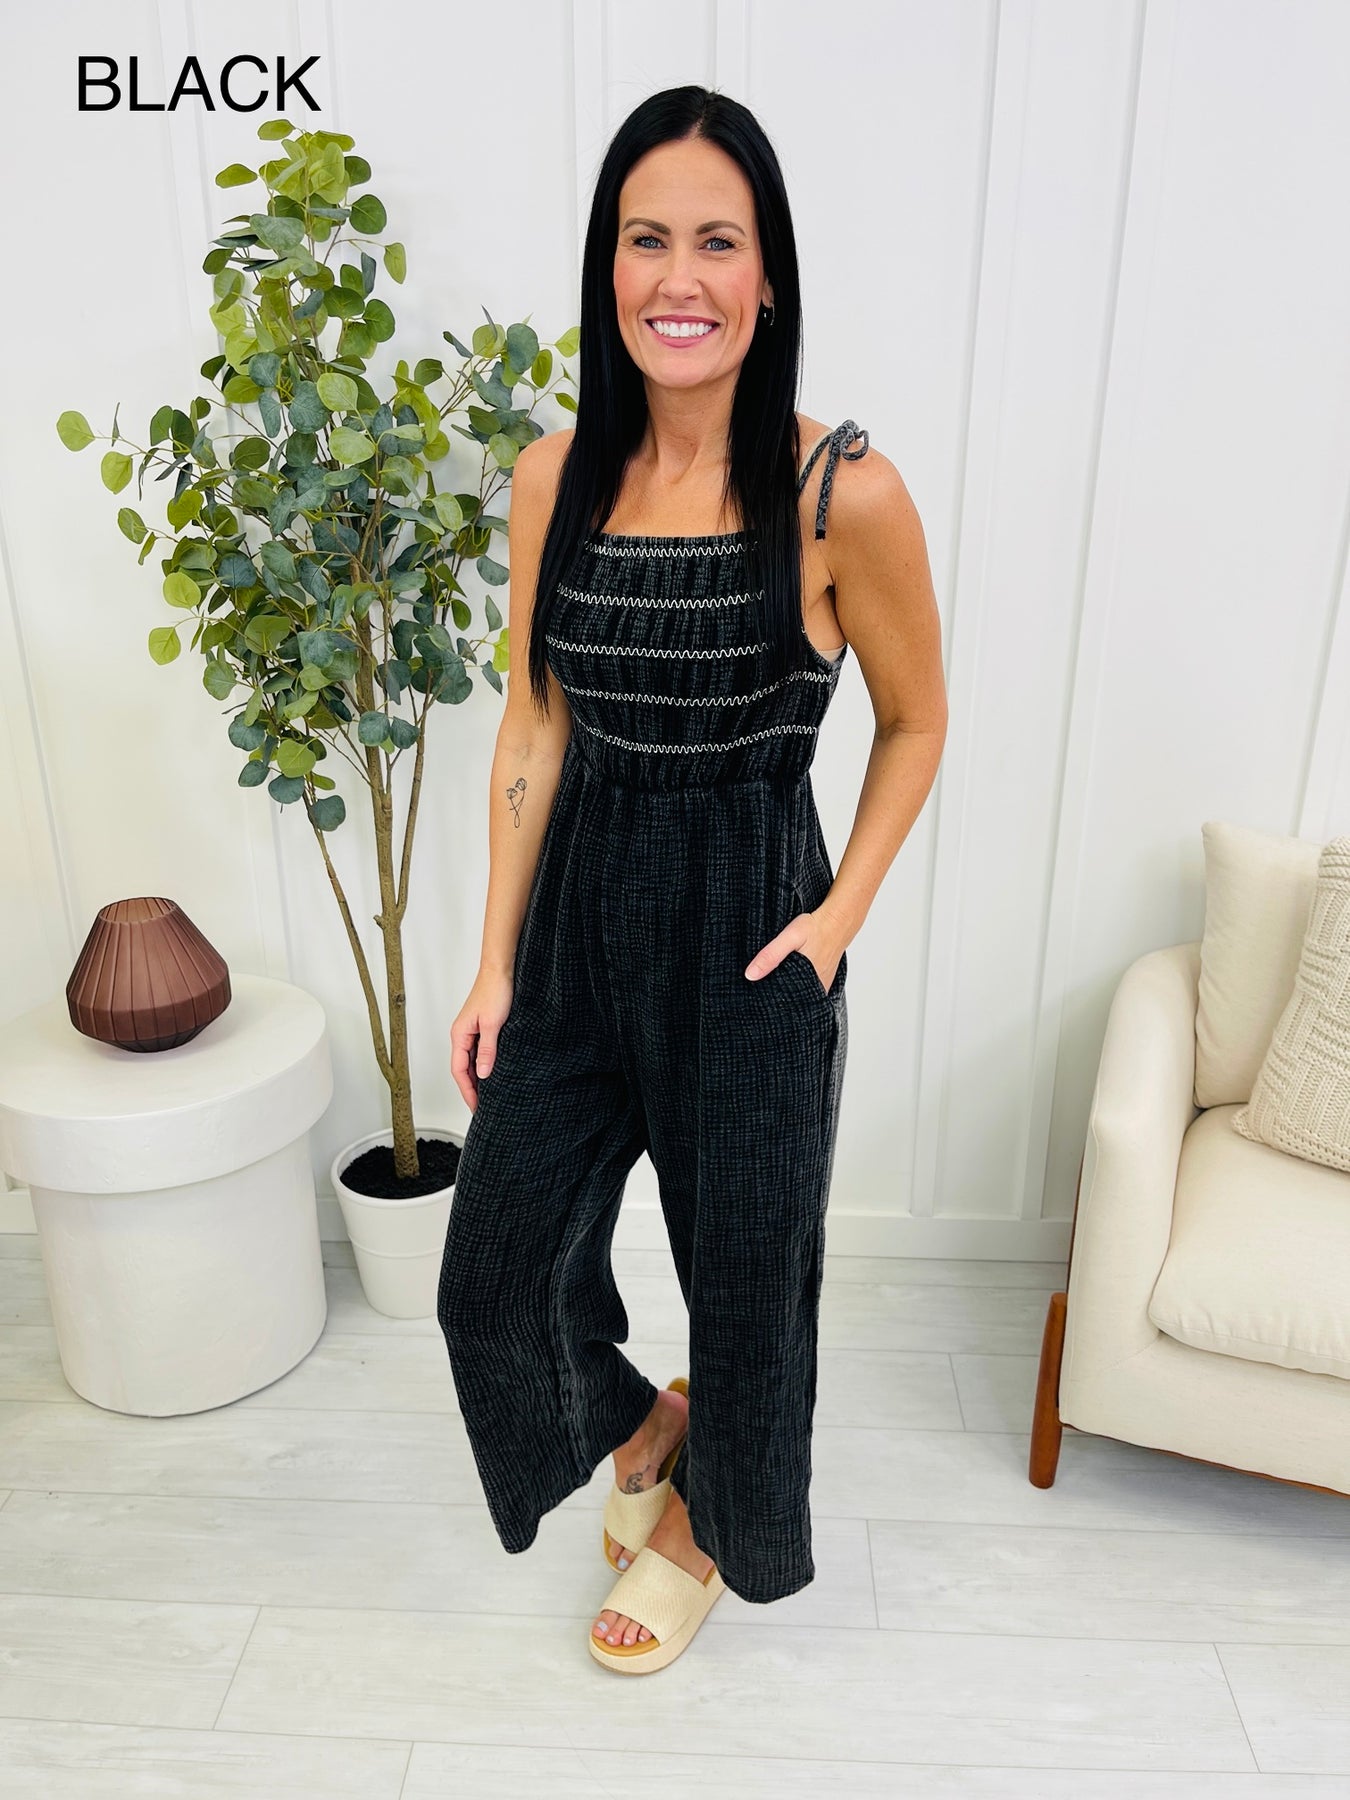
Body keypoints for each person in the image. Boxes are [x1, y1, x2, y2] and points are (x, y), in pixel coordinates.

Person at [437, 84, 946, 1675]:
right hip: (578, 911)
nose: (679, 277)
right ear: (607, 266)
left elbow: (917, 721)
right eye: (644, 238)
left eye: (717, 242)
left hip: (751, 921)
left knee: (746, 1287)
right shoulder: (554, 477)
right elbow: (534, 720)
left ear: (768, 274)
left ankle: (710, 1525)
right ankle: (646, 1421)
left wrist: (834, 925)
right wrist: (494, 960)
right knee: (491, 1277)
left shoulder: (838, 491)